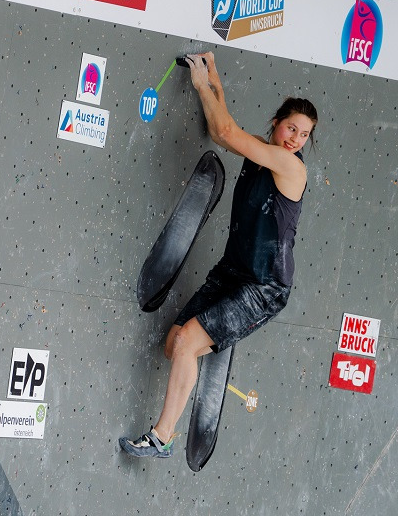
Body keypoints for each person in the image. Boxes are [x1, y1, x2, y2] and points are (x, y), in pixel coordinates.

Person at [120, 52, 318, 458]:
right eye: (291, 128)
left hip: (264, 287)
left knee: (189, 342)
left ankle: (159, 438)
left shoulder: (290, 167)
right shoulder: (261, 150)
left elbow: (226, 130)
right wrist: (212, 75)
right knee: (174, 344)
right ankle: (211, 341)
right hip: (233, 271)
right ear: (276, 123)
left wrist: (200, 83)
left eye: (304, 135)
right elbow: (222, 127)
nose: (296, 139)